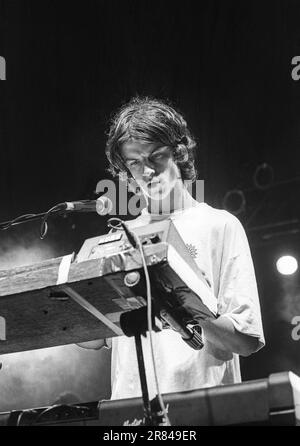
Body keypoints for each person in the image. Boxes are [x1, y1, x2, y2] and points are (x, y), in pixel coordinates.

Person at [79, 97, 265, 400]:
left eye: (156, 157)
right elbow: (94, 340)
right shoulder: (120, 237)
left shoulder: (219, 225)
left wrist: (178, 307)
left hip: (202, 406)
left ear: (179, 152)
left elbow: (246, 341)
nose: (147, 172)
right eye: (135, 163)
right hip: (130, 410)